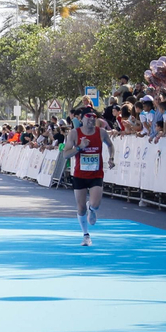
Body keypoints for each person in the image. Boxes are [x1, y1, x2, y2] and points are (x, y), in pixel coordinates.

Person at [66, 106, 106, 247]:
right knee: (81, 208)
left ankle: (92, 209)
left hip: (96, 173)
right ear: (81, 119)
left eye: (94, 117)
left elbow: (111, 145)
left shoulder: (101, 133)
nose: (91, 119)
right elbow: (65, 154)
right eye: (88, 117)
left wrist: (112, 157)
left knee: (95, 204)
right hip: (80, 175)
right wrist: (79, 147)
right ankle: (86, 235)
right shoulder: (74, 134)